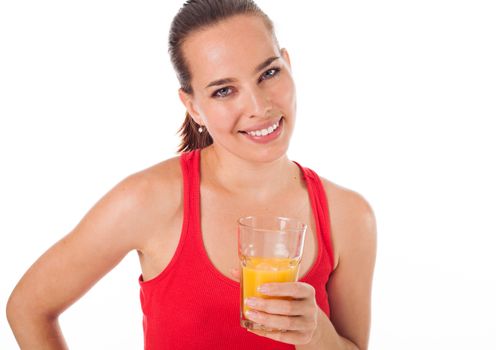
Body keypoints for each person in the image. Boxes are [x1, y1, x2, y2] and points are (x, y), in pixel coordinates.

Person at [6, 0, 377, 349]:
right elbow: (28, 307)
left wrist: (315, 333)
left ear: (288, 64)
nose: (259, 106)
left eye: (268, 73)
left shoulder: (348, 215)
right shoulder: (149, 199)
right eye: (224, 91)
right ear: (193, 107)